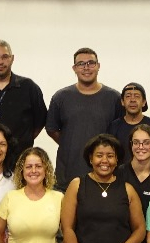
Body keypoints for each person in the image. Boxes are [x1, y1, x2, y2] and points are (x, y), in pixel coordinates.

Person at [46, 48, 123, 189]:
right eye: (81, 64)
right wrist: (71, 143)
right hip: (68, 175)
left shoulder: (114, 98)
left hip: (105, 176)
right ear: (74, 68)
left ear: (98, 66)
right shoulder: (60, 97)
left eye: (91, 63)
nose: (86, 67)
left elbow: (121, 133)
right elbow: (51, 129)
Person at [107, 82, 150, 165]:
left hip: (147, 172)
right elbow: (110, 155)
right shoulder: (114, 126)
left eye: (137, 96)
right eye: (128, 96)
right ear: (122, 102)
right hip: (120, 172)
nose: (132, 100)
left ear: (144, 102)